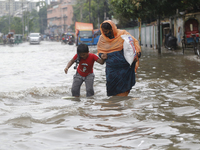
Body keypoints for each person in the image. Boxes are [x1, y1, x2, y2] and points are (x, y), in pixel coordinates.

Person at [97, 20, 141, 96]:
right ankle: (115, 105)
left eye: (108, 31)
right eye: (104, 31)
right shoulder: (102, 39)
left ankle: (121, 105)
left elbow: (134, 42)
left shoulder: (123, 34)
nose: (106, 33)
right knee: (111, 89)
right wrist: (101, 55)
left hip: (125, 68)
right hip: (111, 70)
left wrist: (137, 54)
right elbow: (100, 51)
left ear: (113, 28)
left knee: (124, 89)